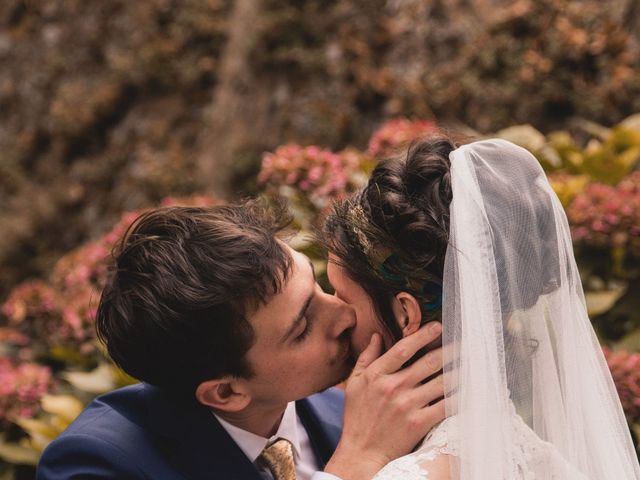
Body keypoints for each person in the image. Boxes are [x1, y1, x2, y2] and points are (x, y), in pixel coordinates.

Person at [36, 199, 446, 480]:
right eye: (301, 329)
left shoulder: (358, 410)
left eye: (317, 285)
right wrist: (355, 466)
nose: (345, 315)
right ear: (226, 392)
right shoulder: (98, 464)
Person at [322, 136, 640, 479]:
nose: (334, 315)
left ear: (405, 314)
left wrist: (353, 461)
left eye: (344, 297)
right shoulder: (548, 463)